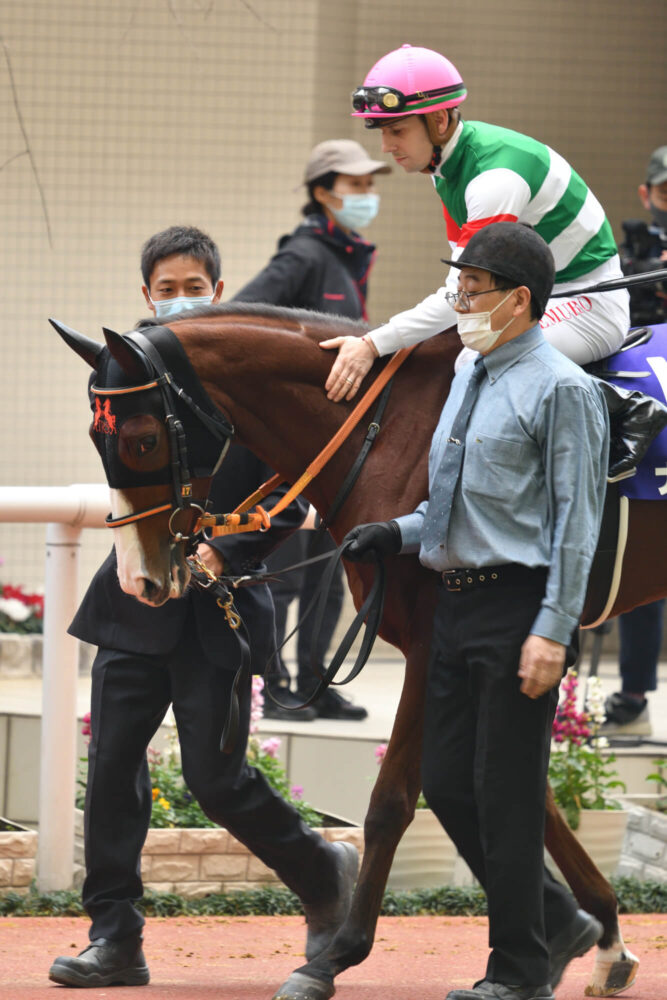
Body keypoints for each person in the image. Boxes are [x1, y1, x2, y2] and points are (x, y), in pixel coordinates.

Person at [48, 226, 358, 988]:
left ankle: (323, 872)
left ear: (219, 292)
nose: (179, 298)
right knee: (113, 767)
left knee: (215, 781)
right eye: (165, 286)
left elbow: (293, 486)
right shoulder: (127, 378)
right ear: (144, 295)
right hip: (130, 606)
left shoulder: (246, 379)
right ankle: (114, 937)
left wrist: (227, 552)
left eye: (194, 286)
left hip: (219, 608)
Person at [343, 222, 609, 1000]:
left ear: (518, 299)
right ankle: (554, 923)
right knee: (449, 782)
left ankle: (517, 970)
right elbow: (451, 505)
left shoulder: (563, 389)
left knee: (506, 791)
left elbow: (574, 525)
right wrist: (394, 530)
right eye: (457, 284)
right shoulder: (467, 368)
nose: (458, 298)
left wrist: (551, 630)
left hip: (518, 609)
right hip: (454, 606)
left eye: (471, 286)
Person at [321, 43, 630, 402]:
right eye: (383, 133)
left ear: (438, 121)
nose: (386, 147)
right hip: (532, 299)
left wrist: (373, 343)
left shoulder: (493, 178)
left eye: (398, 131)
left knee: (473, 364)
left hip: (589, 301)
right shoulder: (445, 167)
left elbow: (462, 296)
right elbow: (463, 282)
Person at [233, 139, 391, 721]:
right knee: (281, 566)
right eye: (356, 186)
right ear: (323, 191)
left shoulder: (347, 256)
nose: (368, 195)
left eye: (371, 185)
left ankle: (316, 683)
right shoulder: (304, 255)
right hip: (290, 446)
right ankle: (273, 687)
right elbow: (243, 319)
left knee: (330, 561)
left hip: (333, 442)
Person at [602, 145, 667, 737]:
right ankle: (634, 690)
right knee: (642, 554)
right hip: (646, 421)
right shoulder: (625, 259)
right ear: (647, 195)